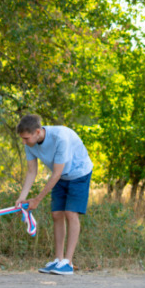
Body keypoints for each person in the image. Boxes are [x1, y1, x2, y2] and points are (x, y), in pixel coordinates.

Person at [15, 114, 93, 275]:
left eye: (26, 138)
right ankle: (58, 260)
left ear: (37, 132)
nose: (24, 141)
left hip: (79, 173)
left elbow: (56, 174)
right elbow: (31, 171)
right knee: (57, 214)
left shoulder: (60, 138)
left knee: (70, 213)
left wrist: (37, 199)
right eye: (22, 138)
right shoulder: (29, 143)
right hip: (61, 175)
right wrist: (22, 197)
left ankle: (68, 263)